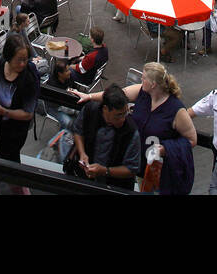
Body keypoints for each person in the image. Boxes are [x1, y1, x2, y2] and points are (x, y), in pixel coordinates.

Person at [78, 62, 197, 194]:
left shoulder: (176, 110)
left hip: (158, 171)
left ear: (153, 85)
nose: (141, 79)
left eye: (144, 78)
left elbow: (192, 139)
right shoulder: (142, 92)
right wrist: (89, 96)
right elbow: (116, 95)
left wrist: (165, 148)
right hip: (138, 165)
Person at [69, 84, 141, 189]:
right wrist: (82, 153)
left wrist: (105, 171)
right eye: (118, 115)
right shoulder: (90, 110)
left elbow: (132, 169)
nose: (123, 119)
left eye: (125, 113)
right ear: (105, 109)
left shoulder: (131, 131)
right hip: (83, 179)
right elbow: (78, 131)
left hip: (114, 187)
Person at [0, 33, 41, 162]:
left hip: (15, 133)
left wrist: (3, 112)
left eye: (25, 59)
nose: (23, 64)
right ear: (8, 56)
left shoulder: (28, 77)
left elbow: (28, 113)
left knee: (10, 159)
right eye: (19, 59)